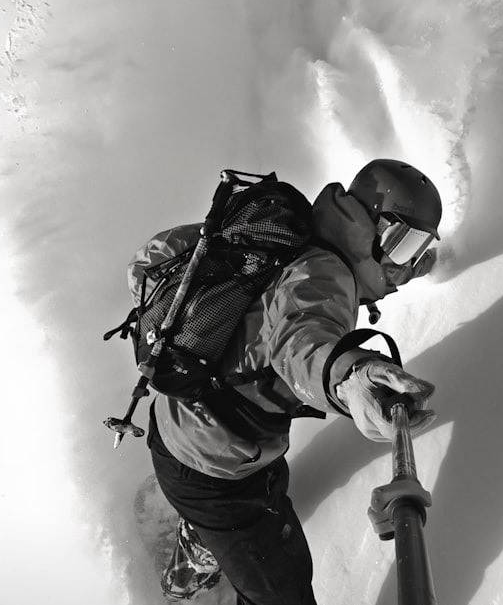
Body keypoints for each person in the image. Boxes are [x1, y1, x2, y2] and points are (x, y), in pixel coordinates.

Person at [130, 159, 443, 605]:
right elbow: (300, 341)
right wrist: (350, 378)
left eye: (415, 248)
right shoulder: (326, 277)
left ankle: (198, 546)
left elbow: (157, 260)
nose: (403, 263)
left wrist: (416, 264)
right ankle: (183, 577)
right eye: (401, 244)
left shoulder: (296, 231)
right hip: (217, 468)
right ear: (374, 227)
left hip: (184, 425)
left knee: (246, 514)